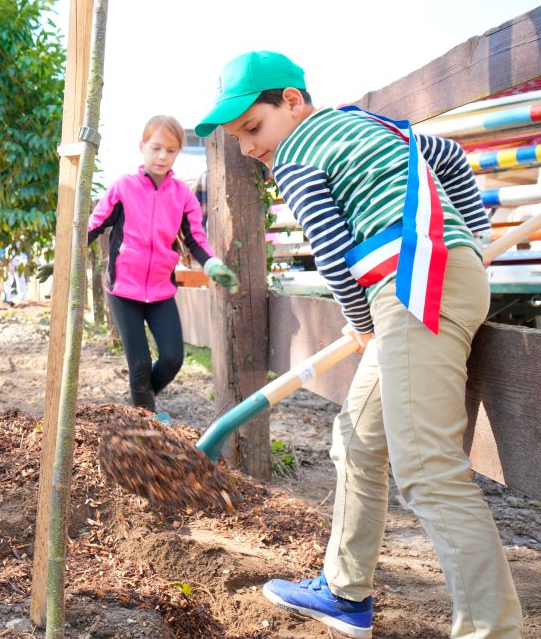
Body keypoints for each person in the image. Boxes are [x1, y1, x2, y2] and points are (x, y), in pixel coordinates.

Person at [194, 51, 521, 638]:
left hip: (413, 289)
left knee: (428, 472)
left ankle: (490, 630)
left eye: (252, 128)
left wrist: (365, 322)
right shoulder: (368, 125)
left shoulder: (294, 158)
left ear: (291, 100)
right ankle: (345, 592)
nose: (247, 149)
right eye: (237, 137)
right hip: (437, 278)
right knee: (357, 440)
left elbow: (335, 253)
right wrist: (470, 240)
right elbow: (449, 156)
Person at [86, 115, 239, 413]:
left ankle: (138, 410)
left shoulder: (182, 196)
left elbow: (195, 239)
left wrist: (212, 265)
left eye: (170, 150)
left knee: (172, 359)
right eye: (155, 147)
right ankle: (149, 422)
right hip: (123, 291)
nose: (162, 156)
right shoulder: (123, 188)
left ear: (177, 153)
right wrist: (65, 253)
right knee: (140, 364)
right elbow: (95, 224)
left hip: (160, 291)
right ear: (142, 147)